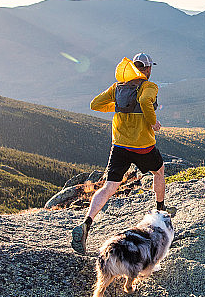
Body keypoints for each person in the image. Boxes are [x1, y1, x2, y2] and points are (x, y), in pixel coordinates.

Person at [71, 53, 175, 254]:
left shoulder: (118, 88)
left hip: (119, 145)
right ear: (148, 69)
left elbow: (95, 104)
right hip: (143, 145)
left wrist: (119, 107)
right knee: (159, 171)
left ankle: (86, 224)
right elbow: (145, 102)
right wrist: (153, 122)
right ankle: (161, 210)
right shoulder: (149, 86)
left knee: (109, 187)